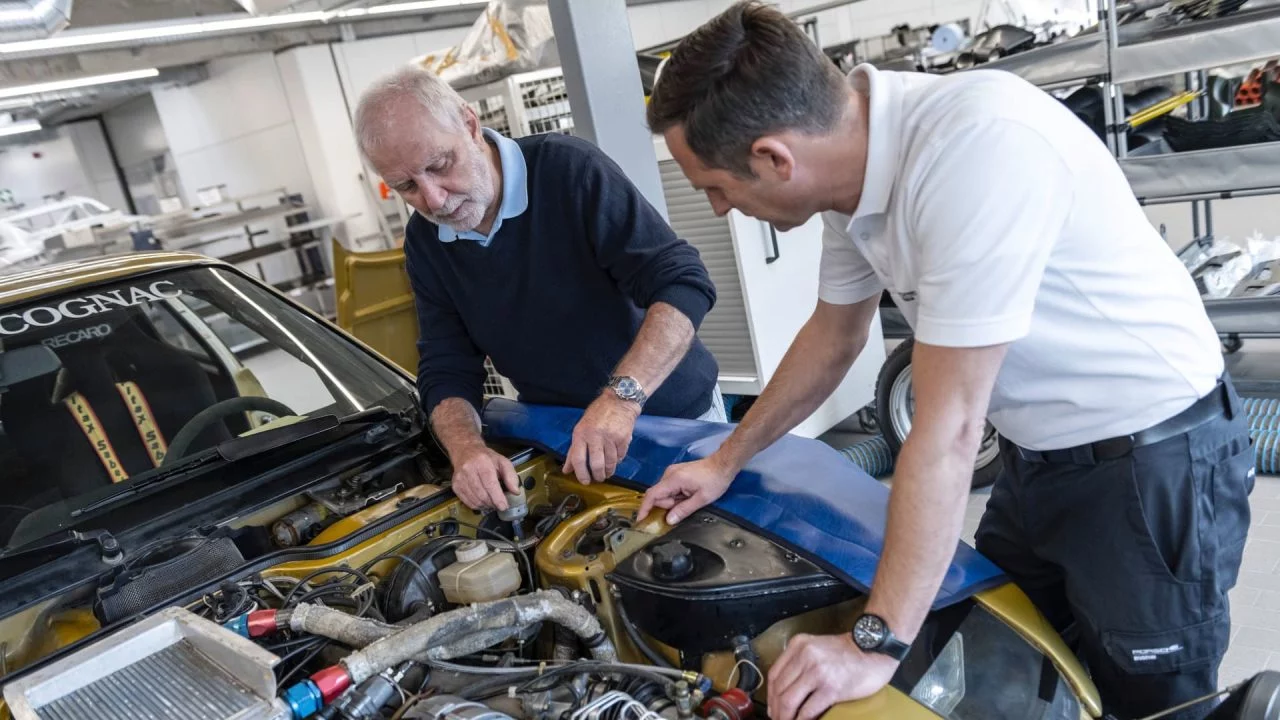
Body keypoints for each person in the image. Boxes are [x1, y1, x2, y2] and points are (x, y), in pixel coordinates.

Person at [637, 4, 1253, 720]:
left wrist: (873, 641)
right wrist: (724, 460)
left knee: (1153, 702)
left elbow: (950, 426)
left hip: (1151, 463)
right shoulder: (852, 174)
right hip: (1039, 459)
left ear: (776, 158)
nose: (715, 210)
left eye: (714, 186)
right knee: (997, 662)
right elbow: (834, 336)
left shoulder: (978, 148)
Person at [354, 66, 724, 512]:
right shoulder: (425, 241)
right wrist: (467, 451)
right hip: (563, 441)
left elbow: (681, 281)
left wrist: (621, 400)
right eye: (407, 186)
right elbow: (446, 363)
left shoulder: (568, 170)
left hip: (676, 422)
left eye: (439, 166)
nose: (433, 200)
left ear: (470, 126)